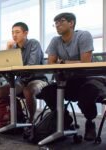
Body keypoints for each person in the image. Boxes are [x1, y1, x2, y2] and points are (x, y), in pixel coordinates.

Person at [41, 12, 106, 141]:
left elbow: (85, 63)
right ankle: (65, 120)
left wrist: (63, 62)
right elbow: (50, 63)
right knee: (47, 92)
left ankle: (89, 122)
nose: (57, 25)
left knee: (88, 91)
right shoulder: (55, 40)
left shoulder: (83, 35)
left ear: (71, 23)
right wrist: (70, 62)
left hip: (88, 78)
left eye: (61, 21)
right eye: (56, 23)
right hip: (68, 81)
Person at [0, 22, 48, 122]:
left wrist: (16, 69)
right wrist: (8, 49)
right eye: (12, 33)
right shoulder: (14, 48)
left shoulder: (33, 43)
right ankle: (16, 114)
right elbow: (5, 65)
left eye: (17, 32)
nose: (14, 35)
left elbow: (32, 65)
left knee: (28, 91)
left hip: (37, 79)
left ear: (25, 33)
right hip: (22, 80)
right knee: (0, 92)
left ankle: (31, 120)